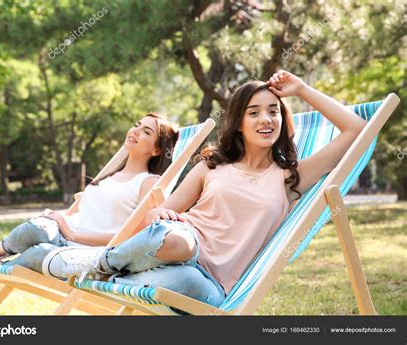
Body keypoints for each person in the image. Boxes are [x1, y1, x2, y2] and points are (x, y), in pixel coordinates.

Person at [43, 70, 366, 306]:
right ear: (239, 123)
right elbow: (155, 214)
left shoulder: (290, 177)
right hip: (177, 243)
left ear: (282, 120)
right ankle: (103, 264)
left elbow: (356, 129)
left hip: (208, 282)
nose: (266, 119)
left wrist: (301, 89)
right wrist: (162, 212)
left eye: (273, 111)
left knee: (182, 279)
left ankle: (102, 269)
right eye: (254, 112)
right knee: (176, 240)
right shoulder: (211, 167)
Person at [0, 113, 179, 274]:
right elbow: (87, 213)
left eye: (146, 131)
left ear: (156, 149)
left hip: (90, 247)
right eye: (137, 125)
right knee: (39, 226)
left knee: (40, 251)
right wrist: (58, 220)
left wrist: (71, 234)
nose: (136, 131)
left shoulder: (149, 182)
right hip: (64, 233)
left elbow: (134, 237)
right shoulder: (110, 175)